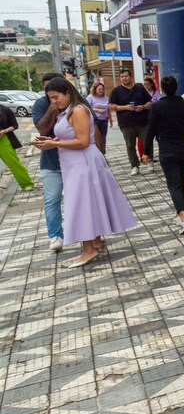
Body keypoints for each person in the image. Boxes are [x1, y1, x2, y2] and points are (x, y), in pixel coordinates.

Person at [33, 77, 137, 268]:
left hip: (82, 163)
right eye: (51, 99)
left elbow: (82, 141)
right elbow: (69, 135)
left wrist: (54, 143)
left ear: (67, 92)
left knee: (80, 205)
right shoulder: (66, 112)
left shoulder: (78, 110)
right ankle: (95, 243)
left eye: (56, 97)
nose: (54, 102)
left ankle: (88, 249)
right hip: (74, 164)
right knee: (88, 203)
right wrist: (52, 140)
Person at [142, 76, 184, 234]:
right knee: (180, 182)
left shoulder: (157, 107)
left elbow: (151, 131)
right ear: (176, 87)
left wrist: (146, 152)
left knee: (174, 184)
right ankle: (179, 213)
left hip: (167, 149)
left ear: (162, 89)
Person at [33, 73, 63, 251]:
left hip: (74, 159)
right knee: (52, 199)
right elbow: (42, 128)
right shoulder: (41, 104)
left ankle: (86, 234)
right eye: (47, 89)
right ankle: (56, 235)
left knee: (80, 198)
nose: (50, 93)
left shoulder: (74, 103)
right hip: (50, 163)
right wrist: (52, 108)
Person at [107, 69, 152, 175]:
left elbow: (150, 102)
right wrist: (125, 107)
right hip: (126, 123)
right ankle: (134, 166)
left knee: (147, 142)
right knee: (130, 145)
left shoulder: (140, 88)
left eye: (126, 76)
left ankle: (149, 162)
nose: (124, 78)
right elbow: (111, 106)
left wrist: (144, 107)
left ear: (131, 77)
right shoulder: (116, 91)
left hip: (143, 121)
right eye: (122, 76)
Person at [0, 98, 33, 191]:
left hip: (4, 139)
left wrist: (5, 131)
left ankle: (26, 183)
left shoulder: (5, 110)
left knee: (14, 163)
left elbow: (15, 125)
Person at [86, 81, 110, 151]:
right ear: (95, 89)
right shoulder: (90, 97)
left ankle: (103, 153)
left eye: (102, 89)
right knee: (96, 138)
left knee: (103, 138)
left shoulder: (106, 98)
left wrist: (110, 119)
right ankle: (97, 153)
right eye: (99, 89)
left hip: (104, 121)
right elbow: (86, 107)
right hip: (95, 121)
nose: (101, 91)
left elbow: (108, 109)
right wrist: (97, 110)